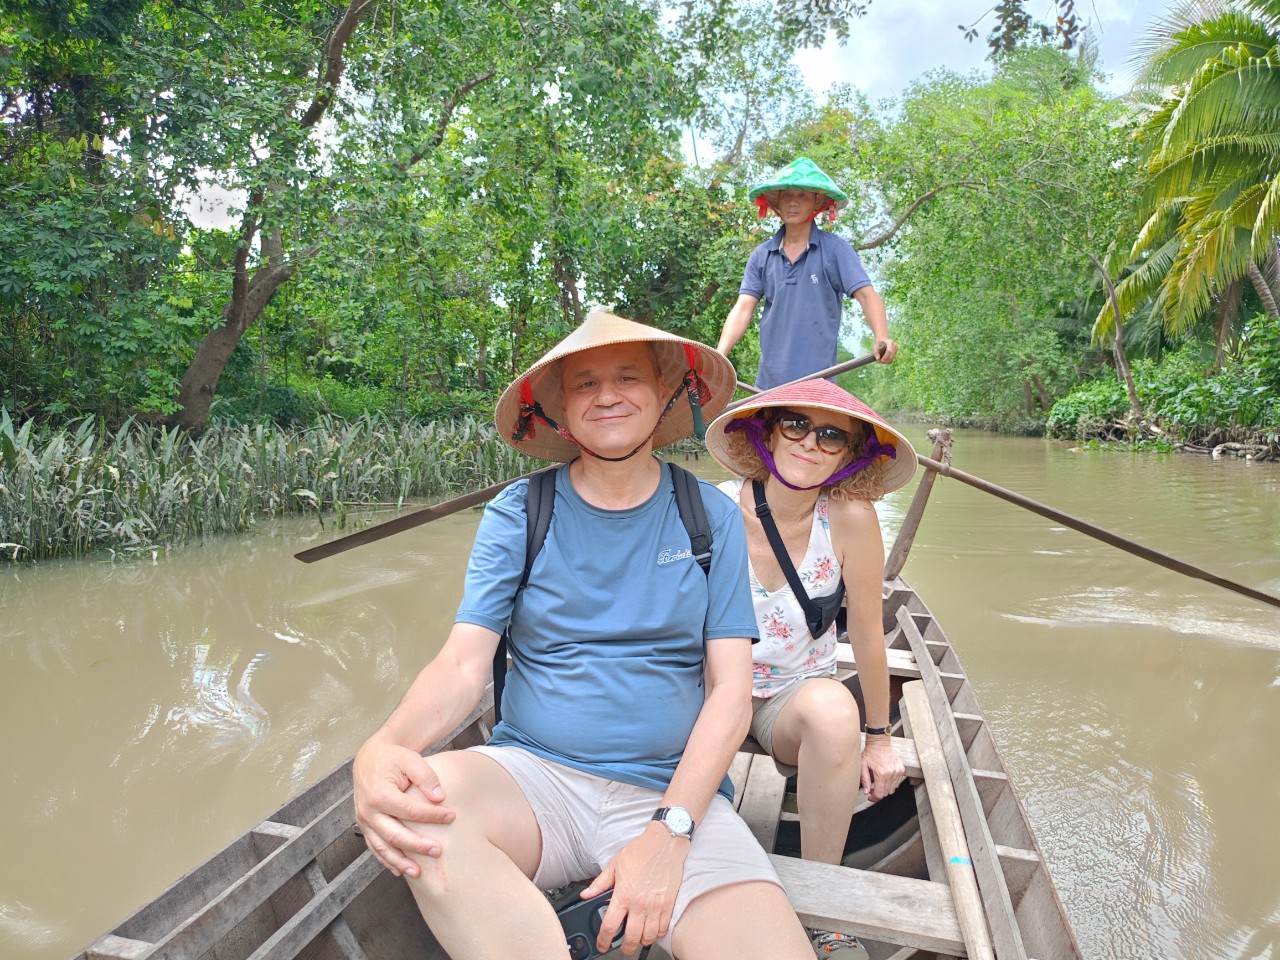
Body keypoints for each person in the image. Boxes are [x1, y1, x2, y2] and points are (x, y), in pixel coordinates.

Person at [353, 310, 816, 960]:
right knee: (410, 803)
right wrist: (382, 747)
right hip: (532, 780)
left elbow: (731, 693)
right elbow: (462, 666)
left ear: (664, 394)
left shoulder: (708, 516)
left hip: (671, 788)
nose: (607, 396)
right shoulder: (520, 512)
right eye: (585, 384)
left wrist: (670, 832)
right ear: (562, 411)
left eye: (628, 377)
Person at [704, 378, 918, 958]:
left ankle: (824, 903)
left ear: (850, 455)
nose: (810, 443)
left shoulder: (850, 518)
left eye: (831, 436)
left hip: (790, 697)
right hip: (708, 689)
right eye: (795, 424)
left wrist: (879, 739)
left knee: (834, 711)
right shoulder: (713, 508)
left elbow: (867, 632)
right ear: (767, 433)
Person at [716, 157, 897, 389]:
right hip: (767, 387)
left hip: (818, 387)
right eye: (787, 195)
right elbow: (743, 309)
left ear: (817, 201)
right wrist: (719, 356)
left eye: (802, 195)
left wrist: (881, 336)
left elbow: (866, 295)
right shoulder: (762, 255)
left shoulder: (835, 250)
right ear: (778, 201)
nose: (793, 202)